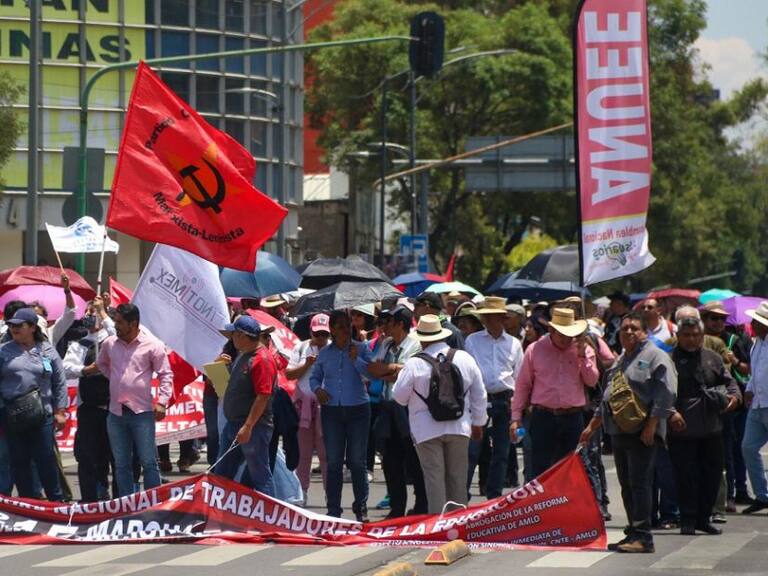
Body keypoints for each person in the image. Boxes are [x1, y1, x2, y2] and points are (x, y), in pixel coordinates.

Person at [580, 312, 677, 553]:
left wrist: (652, 426)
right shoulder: (622, 359)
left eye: (635, 328)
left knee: (640, 484)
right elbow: (608, 397)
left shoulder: (656, 356)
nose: (629, 332)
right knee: (627, 484)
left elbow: (666, 393)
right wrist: (592, 426)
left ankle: (644, 537)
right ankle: (633, 532)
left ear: (645, 332)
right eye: (625, 329)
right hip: (619, 431)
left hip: (642, 431)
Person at [392, 314, 487, 514]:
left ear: (422, 339)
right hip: (459, 425)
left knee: (434, 478)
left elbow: (399, 397)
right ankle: (458, 523)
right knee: (457, 478)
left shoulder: (414, 363)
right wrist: (478, 422)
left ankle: (439, 523)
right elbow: (479, 393)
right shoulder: (464, 358)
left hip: (425, 429)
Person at [86, 303, 173, 497]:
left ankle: (153, 502)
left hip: (142, 413)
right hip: (115, 413)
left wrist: (162, 402)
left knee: (148, 462)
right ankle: (126, 504)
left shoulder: (153, 345)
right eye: (115, 321)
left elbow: (166, 374)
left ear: (133, 324)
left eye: (119, 322)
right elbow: (102, 364)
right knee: (121, 463)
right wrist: (116, 379)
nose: (115, 326)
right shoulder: (109, 343)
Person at [669, 316, 740, 535]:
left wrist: (734, 398)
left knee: (712, 474)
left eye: (695, 335)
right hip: (681, 430)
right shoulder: (669, 360)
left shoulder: (713, 358)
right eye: (686, 335)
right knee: (686, 476)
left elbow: (730, 383)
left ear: (702, 336)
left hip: (711, 427)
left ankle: (703, 518)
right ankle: (688, 519)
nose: (691, 339)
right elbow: (660, 391)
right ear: (678, 336)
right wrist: (671, 412)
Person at [511, 308, 600, 477]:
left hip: (572, 417)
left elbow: (592, 381)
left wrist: (583, 357)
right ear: (551, 330)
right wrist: (516, 418)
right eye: (562, 335)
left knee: (570, 470)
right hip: (543, 417)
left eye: (569, 335)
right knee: (540, 470)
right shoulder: (534, 349)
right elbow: (523, 385)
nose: (566, 339)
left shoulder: (584, 349)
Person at [309, 310, 374, 521]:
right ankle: (333, 510)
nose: (345, 330)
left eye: (347, 325)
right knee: (334, 461)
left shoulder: (361, 348)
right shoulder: (324, 353)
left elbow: (371, 374)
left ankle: (361, 507)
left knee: (357, 461)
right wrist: (317, 389)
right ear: (332, 330)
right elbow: (314, 377)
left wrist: (356, 360)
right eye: (340, 326)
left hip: (358, 409)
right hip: (332, 411)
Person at [0, 308, 68, 500]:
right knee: (19, 461)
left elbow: (59, 382)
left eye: (19, 325)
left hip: (42, 415)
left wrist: (60, 411)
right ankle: (27, 502)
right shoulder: (3, 351)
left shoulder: (47, 350)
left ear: (32, 327)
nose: (14, 328)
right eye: (11, 325)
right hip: (13, 416)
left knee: (46, 459)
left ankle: (56, 502)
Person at [368, 305, 427, 518]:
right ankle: (396, 506)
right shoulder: (386, 344)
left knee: (413, 458)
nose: (384, 326)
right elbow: (373, 369)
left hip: (407, 408)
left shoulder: (415, 344)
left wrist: (390, 370)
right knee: (390, 459)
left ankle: (421, 504)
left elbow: (410, 373)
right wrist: (394, 369)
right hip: (387, 406)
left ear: (400, 324)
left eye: (389, 322)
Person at [465, 297, 524, 500]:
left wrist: (517, 408)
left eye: (492, 317)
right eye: (486, 317)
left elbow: (519, 377)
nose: (488, 321)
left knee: (501, 452)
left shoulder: (514, 344)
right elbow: (467, 373)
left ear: (502, 318)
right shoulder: (472, 341)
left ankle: (494, 497)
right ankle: (461, 497)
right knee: (472, 451)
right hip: (479, 399)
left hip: (504, 400)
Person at [215, 315, 278, 496]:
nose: (231, 338)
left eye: (234, 334)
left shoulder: (261, 359)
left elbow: (263, 396)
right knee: (222, 473)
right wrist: (221, 368)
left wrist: (248, 426)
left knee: (259, 476)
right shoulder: (245, 355)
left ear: (242, 335)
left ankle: (270, 513)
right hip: (235, 424)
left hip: (253, 427)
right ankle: (225, 511)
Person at [62, 297, 116, 501]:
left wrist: (103, 313)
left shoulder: (112, 338)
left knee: (114, 455)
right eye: (87, 312)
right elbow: (67, 368)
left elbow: (116, 335)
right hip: (88, 409)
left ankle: (119, 499)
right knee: (87, 455)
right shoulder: (81, 343)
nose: (89, 316)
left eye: (93, 312)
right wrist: (86, 370)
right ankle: (89, 499)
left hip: (113, 408)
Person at [701, 301, 754, 508]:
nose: (718, 322)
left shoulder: (735, 340)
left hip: (733, 404)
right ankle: (721, 495)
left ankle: (735, 493)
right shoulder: (696, 339)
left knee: (734, 450)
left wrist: (734, 362)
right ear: (704, 319)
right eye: (713, 318)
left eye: (722, 318)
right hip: (707, 404)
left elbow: (748, 369)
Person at [286, 313, 330, 503]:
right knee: (303, 453)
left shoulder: (333, 348)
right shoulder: (301, 347)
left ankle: (331, 493)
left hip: (326, 406)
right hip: (302, 406)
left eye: (324, 334)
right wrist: (307, 364)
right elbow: (289, 374)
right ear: (311, 332)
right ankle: (301, 492)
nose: (321, 338)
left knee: (326, 453)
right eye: (317, 334)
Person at [741, 301, 768, 514]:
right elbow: (755, 372)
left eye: (756, 321)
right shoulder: (756, 344)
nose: (752, 323)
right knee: (748, 447)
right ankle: (762, 495)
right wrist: (749, 389)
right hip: (758, 404)